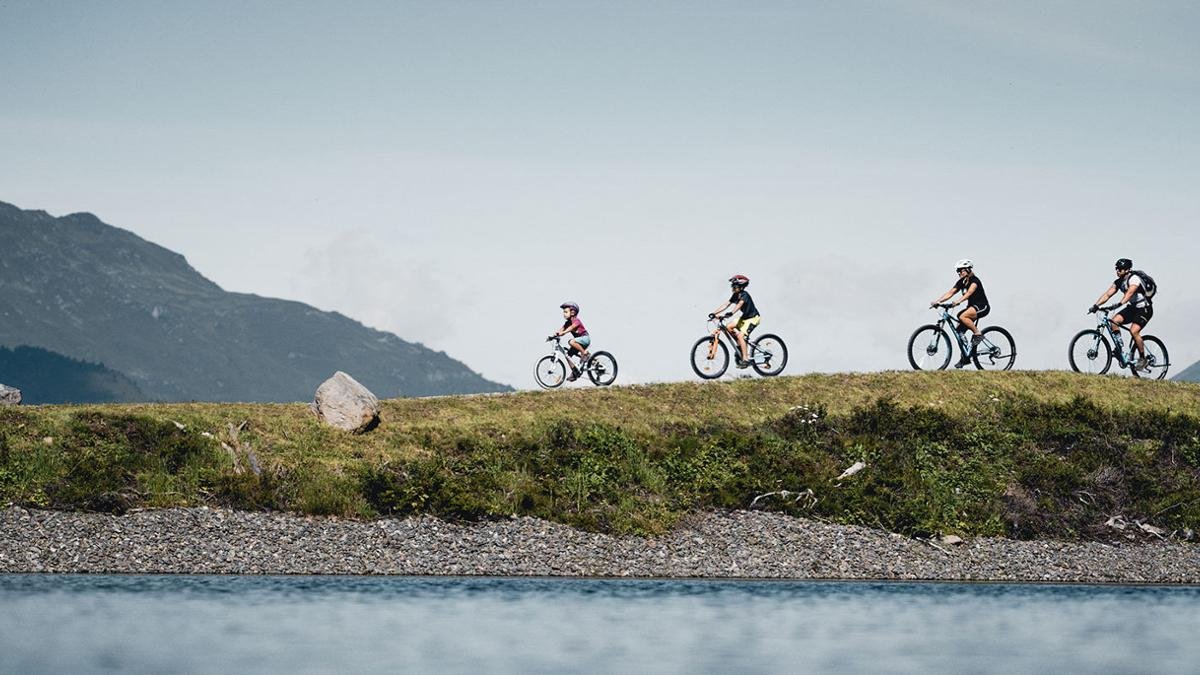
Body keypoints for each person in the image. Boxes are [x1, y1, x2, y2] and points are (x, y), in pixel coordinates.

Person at [1090, 258, 1152, 369]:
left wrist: (1120, 303)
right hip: (1132, 308)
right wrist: (1096, 305)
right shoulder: (1118, 282)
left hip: (1144, 308)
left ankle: (1143, 359)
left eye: (1120, 269)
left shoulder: (1134, 279)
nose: (1117, 271)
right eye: (1116, 269)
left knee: (1134, 331)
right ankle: (1119, 348)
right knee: (1114, 321)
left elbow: (1130, 293)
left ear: (1127, 270)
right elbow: (1108, 294)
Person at [930, 259, 990, 368]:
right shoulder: (962, 281)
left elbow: (969, 293)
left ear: (967, 269)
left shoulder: (974, 281)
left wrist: (958, 301)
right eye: (957, 271)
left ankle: (978, 334)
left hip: (982, 306)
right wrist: (938, 301)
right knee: (959, 332)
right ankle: (965, 357)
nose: (959, 273)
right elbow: (951, 292)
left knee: (963, 316)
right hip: (971, 307)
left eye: (961, 270)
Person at [709, 274, 759, 368]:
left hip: (753, 318)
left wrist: (731, 313)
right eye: (732, 285)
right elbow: (726, 304)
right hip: (744, 318)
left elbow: (740, 304)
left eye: (734, 285)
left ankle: (745, 359)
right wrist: (714, 313)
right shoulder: (735, 295)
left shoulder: (745, 295)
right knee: (728, 327)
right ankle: (740, 346)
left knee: (741, 336)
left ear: (740, 286)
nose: (732, 287)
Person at [550, 301, 590, 381]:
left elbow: (571, 328)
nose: (564, 314)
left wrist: (564, 332)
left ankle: (584, 354)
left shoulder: (576, 321)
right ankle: (575, 372)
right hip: (578, 342)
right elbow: (561, 330)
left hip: (585, 339)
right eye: (563, 312)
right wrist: (553, 335)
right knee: (567, 355)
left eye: (565, 312)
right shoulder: (567, 323)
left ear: (572, 312)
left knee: (571, 342)